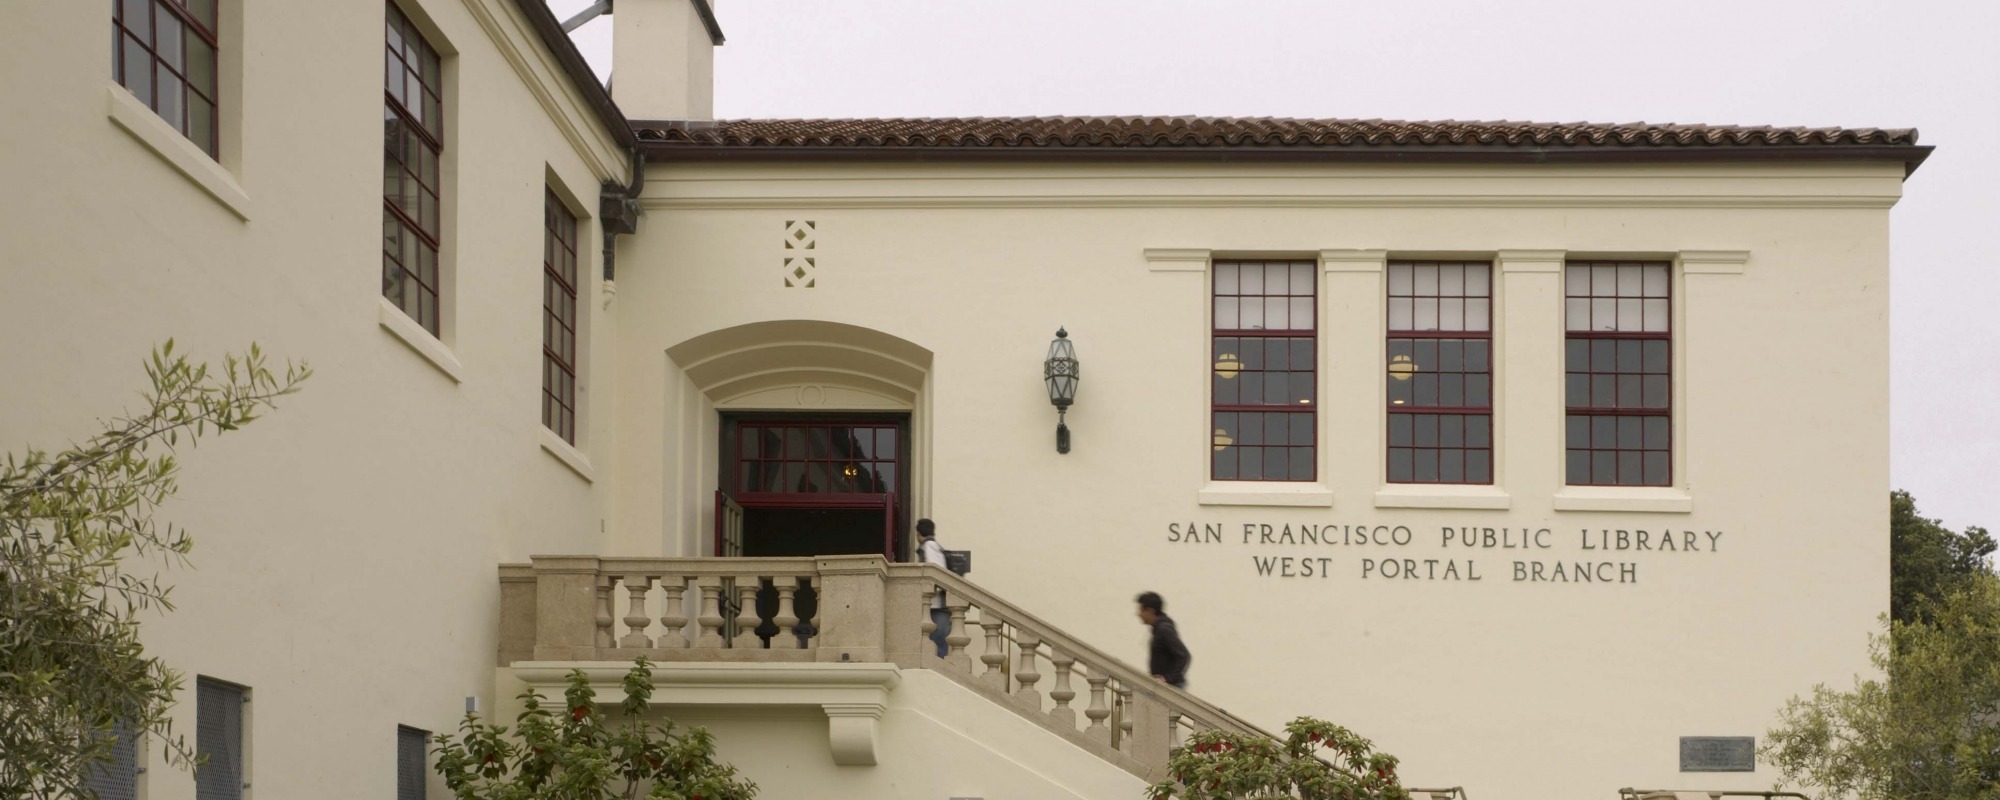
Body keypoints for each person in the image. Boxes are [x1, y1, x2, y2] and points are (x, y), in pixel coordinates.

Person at [1136, 591, 1190, 689]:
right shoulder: (1159, 629)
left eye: (1141, 610)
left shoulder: (1164, 629)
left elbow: (1184, 655)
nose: (1138, 614)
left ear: (1150, 611)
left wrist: (1168, 679)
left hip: (1172, 687)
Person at [917, 518, 950, 658]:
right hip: (940, 607)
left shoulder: (929, 546)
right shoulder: (936, 546)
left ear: (918, 534)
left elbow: (935, 572)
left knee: (937, 648)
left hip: (936, 606)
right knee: (939, 646)